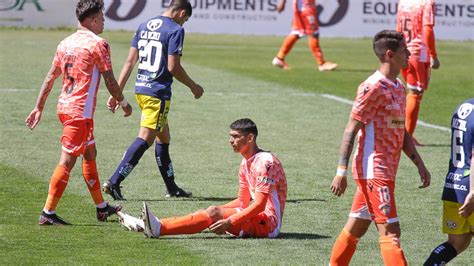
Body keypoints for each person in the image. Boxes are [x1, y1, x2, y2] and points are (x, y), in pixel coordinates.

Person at [328, 30, 431, 265]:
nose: (409, 53)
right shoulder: (371, 87)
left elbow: (400, 129)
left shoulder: (397, 86)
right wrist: (340, 172)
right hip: (374, 170)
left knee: (356, 226)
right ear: (389, 55)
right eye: (405, 50)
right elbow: (350, 129)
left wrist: (420, 164)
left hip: (386, 169)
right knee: (391, 232)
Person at [25, 0, 132, 225]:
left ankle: (101, 208)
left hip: (65, 107)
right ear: (93, 20)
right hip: (78, 113)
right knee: (67, 161)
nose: (104, 21)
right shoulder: (98, 44)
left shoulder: (65, 42)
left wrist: (38, 106)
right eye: (102, 17)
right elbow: (110, 80)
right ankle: (48, 212)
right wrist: (123, 102)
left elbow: (50, 76)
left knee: (90, 153)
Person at [116, 118, 288, 239]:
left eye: (236, 137)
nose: (231, 141)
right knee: (209, 212)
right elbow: (242, 201)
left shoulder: (266, 162)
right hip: (257, 217)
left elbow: (258, 206)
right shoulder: (245, 163)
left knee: (213, 213)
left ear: (250, 138)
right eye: (230, 136)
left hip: (269, 224)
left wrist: (229, 220)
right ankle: (151, 225)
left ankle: (158, 228)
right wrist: (214, 210)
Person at [102, 0, 204, 200]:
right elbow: (174, 67)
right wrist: (194, 86)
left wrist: (118, 93)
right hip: (157, 93)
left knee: (163, 137)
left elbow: (130, 62)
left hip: (141, 89)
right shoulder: (175, 30)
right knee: (145, 139)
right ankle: (114, 182)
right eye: (185, 19)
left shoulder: (144, 25)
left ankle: (172, 187)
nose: (184, 23)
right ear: (182, 12)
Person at [424, 98, 474, 265]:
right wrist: (473, 192)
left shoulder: (463, 106)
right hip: (471, 188)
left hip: (453, 184)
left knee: (456, 243)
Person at [396, 0, 441, 146]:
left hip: (403, 50)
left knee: (410, 93)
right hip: (417, 53)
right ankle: (406, 137)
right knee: (415, 93)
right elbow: (428, 30)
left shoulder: (404, 2)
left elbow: (398, 27)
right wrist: (433, 55)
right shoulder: (427, 3)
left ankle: (402, 133)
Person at [271, 0, 337, 71]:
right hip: (305, 7)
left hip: (305, 6)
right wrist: (282, 3)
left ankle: (279, 58)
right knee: (313, 33)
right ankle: (322, 63)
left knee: (297, 33)